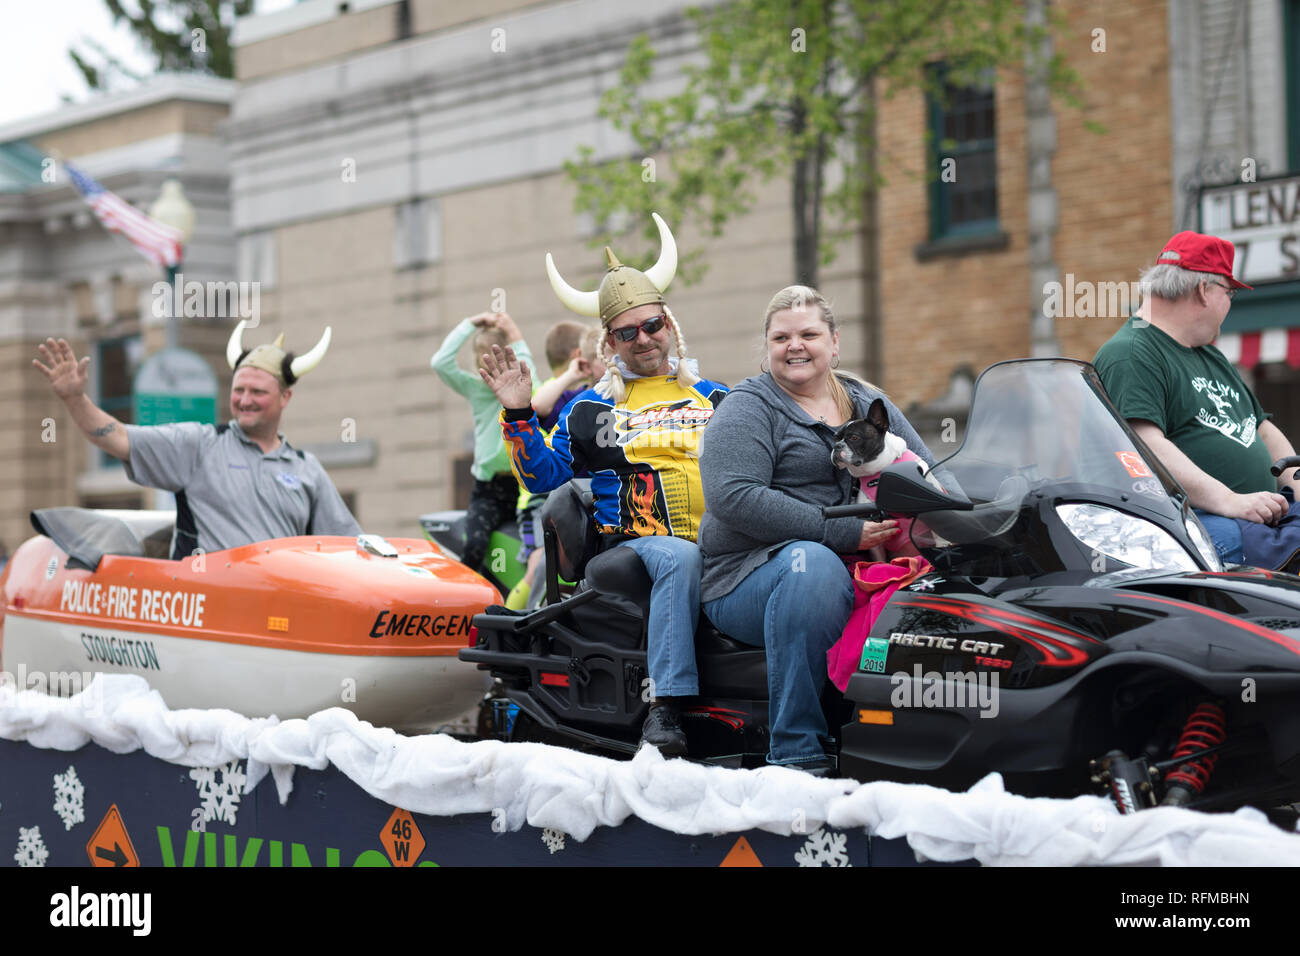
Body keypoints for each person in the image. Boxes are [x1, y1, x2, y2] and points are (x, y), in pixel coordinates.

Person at [479, 213, 728, 756]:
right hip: (634, 549)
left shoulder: (719, 398)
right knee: (678, 556)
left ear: (669, 324)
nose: (644, 339)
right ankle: (665, 708)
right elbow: (542, 476)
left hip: (723, 545)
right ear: (610, 343)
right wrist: (519, 412)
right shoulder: (591, 409)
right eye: (627, 332)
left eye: (652, 325)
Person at [698, 286, 934, 774]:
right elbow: (734, 496)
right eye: (781, 337)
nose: (795, 346)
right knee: (814, 567)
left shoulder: (866, 401)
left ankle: (910, 740)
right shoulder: (748, 407)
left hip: (859, 563)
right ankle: (797, 751)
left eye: (809, 334)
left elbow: (928, 472)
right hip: (748, 574)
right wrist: (840, 535)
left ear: (834, 341)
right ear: (767, 346)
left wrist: (965, 518)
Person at [33, 322, 360, 557]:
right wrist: (75, 399)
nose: (245, 400)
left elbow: (348, 546)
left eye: (257, 392)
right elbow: (117, 438)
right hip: (210, 613)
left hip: (277, 616)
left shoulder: (306, 468)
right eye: (239, 390)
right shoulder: (199, 445)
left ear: (285, 397)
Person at [1093, 231, 1299, 566]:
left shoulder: (1208, 354)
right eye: (1229, 292)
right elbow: (1144, 447)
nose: (1230, 303)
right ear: (1204, 290)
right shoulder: (1130, 352)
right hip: (1196, 527)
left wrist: (1298, 484)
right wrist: (1230, 500)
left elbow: (1261, 429)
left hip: (1253, 517)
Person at [431, 310, 537, 580]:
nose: (487, 359)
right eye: (481, 354)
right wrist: (469, 324)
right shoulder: (475, 388)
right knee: (475, 546)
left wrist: (515, 335)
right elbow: (440, 363)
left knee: (527, 551)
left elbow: (533, 382)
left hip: (522, 486)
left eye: (494, 352)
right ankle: (465, 596)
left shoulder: (522, 389)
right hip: (489, 490)